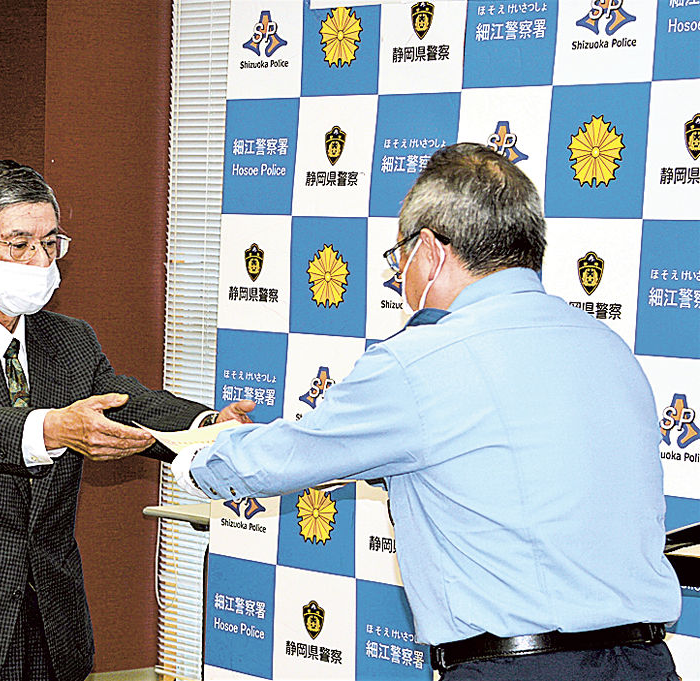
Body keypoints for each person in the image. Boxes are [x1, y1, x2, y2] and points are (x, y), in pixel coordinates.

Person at [173, 143, 682, 680]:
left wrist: (188, 456)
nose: (400, 276)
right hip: (646, 663)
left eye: (400, 256)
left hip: (517, 668)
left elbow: (284, 458)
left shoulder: (420, 361)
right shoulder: (606, 345)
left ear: (431, 250)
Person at [0, 160, 252, 681]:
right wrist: (54, 429)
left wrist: (209, 424)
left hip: (50, 629)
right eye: (19, 244)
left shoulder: (69, 338)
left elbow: (125, 401)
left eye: (51, 242)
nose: (40, 260)